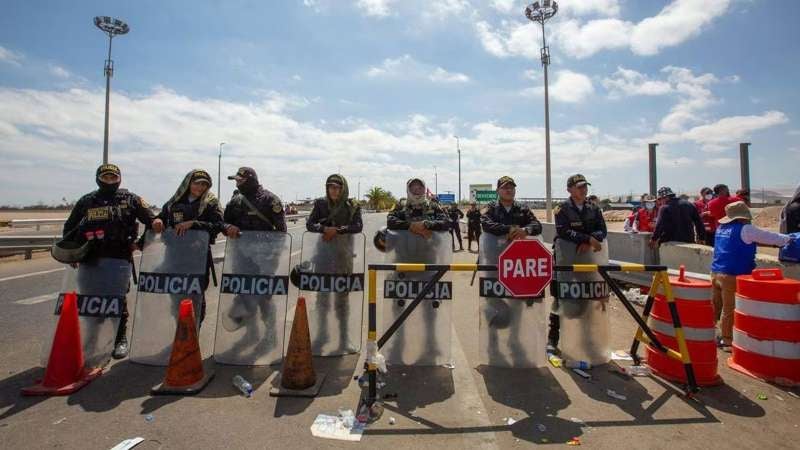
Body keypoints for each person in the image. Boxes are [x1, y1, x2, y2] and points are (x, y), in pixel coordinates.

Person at [62, 164, 155, 359]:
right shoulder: (87, 201)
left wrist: (140, 243)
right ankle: (92, 338)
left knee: (116, 299)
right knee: (90, 299)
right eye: (106, 177)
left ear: (119, 179)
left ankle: (120, 338)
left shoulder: (131, 199)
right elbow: (70, 227)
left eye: (114, 177)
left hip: (119, 257)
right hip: (90, 258)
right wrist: (72, 253)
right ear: (98, 179)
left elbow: (153, 221)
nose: (110, 181)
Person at [710, 201, 794, 350]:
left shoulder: (721, 228)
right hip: (732, 274)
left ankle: (708, 335)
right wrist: (789, 239)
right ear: (743, 217)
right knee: (729, 309)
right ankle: (727, 341)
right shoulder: (746, 229)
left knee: (715, 307)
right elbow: (770, 237)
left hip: (716, 272)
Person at [152, 169, 223, 327]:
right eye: (197, 183)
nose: (200, 187)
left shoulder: (211, 203)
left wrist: (194, 224)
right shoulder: (174, 202)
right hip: (174, 257)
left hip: (198, 258)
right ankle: (181, 330)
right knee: (176, 297)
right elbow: (162, 217)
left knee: (195, 299)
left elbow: (218, 225)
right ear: (188, 183)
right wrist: (157, 221)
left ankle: (194, 331)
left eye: (204, 184)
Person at [305, 174, 363, 352]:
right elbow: (310, 224)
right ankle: (322, 335)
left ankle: (344, 339)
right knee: (322, 298)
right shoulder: (321, 204)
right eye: (331, 187)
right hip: (323, 255)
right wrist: (324, 229)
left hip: (343, 256)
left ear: (343, 188)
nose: (333, 190)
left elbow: (358, 226)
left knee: (342, 299)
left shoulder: (352, 205)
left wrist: (337, 231)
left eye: (337, 187)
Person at [549, 174, 607, 353]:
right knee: (561, 296)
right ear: (569, 189)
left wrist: (590, 240)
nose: (583, 190)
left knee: (587, 298)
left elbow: (602, 230)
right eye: (579, 187)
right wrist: (587, 238)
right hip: (565, 259)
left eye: (585, 186)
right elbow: (563, 231)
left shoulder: (593, 208)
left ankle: (587, 339)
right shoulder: (562, 209)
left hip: (587, 258)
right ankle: (553, 339)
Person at [222, 167, 287, 236]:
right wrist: (227, 227)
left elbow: (281, 231)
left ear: (250, 181)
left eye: (240, 181)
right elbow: (223, 223)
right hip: (240, 242)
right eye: (237, 182)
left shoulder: (270, 200)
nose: (237, 185)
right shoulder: (235, 201)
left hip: (264, 242)